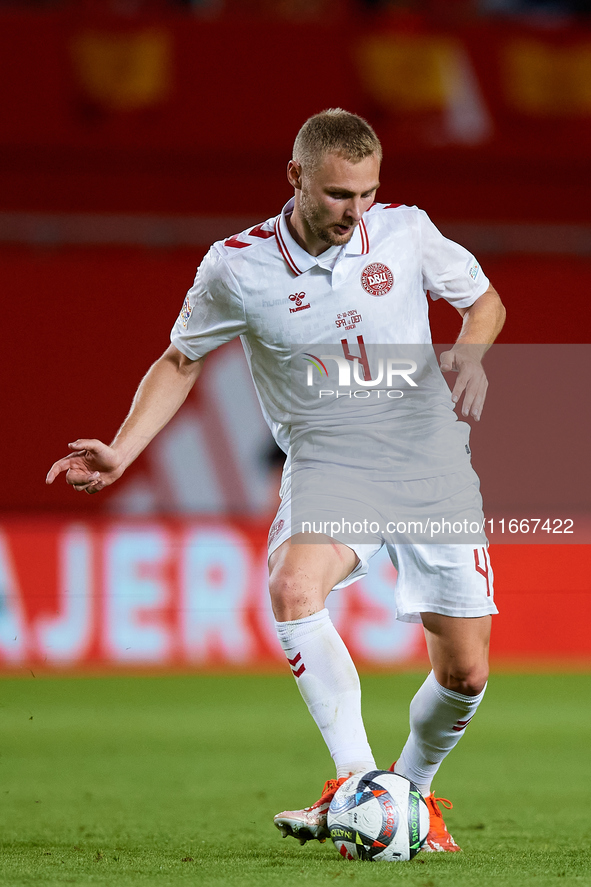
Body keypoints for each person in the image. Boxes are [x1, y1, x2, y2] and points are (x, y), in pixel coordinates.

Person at [47, 108, 505, 853]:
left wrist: (471, 354)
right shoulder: (237, 266)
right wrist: (123, 451)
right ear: (295, 177)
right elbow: (180, 359)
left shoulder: (405, 231)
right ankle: (354, 780)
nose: (353, 213)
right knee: (294, 588)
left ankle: (409, 794)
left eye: (365, 195)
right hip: (330, 462)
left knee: (466, 671)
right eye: (335, 196)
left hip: (429, 462)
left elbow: (482, 300)